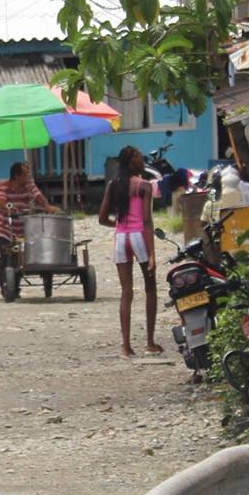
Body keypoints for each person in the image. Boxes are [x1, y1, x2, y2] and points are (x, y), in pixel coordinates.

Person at [99, 146, 163, 358]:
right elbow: (147, 221)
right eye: (137, 156)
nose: (141, 159)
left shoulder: (113, 185)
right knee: (150, 288)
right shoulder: (144, 186)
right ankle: (150, 342)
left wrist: (118, 226)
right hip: (138, 237)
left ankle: (126, 346)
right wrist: (152, 254)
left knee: (126, 292)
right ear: (131, 162)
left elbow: (101, 218)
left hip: (121, 238)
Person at [0, 161, 55, 270]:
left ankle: (14, 285)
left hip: (22, 231)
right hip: (4, 230)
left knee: (19, 259)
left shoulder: (29, 185)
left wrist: (47, 207)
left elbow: (38, 196)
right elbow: (1, 201)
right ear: (17, 176)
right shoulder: (3, 186)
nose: (28, 177)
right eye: (25, 174)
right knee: (5, 257)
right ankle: (4, 285)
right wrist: (9, 208)